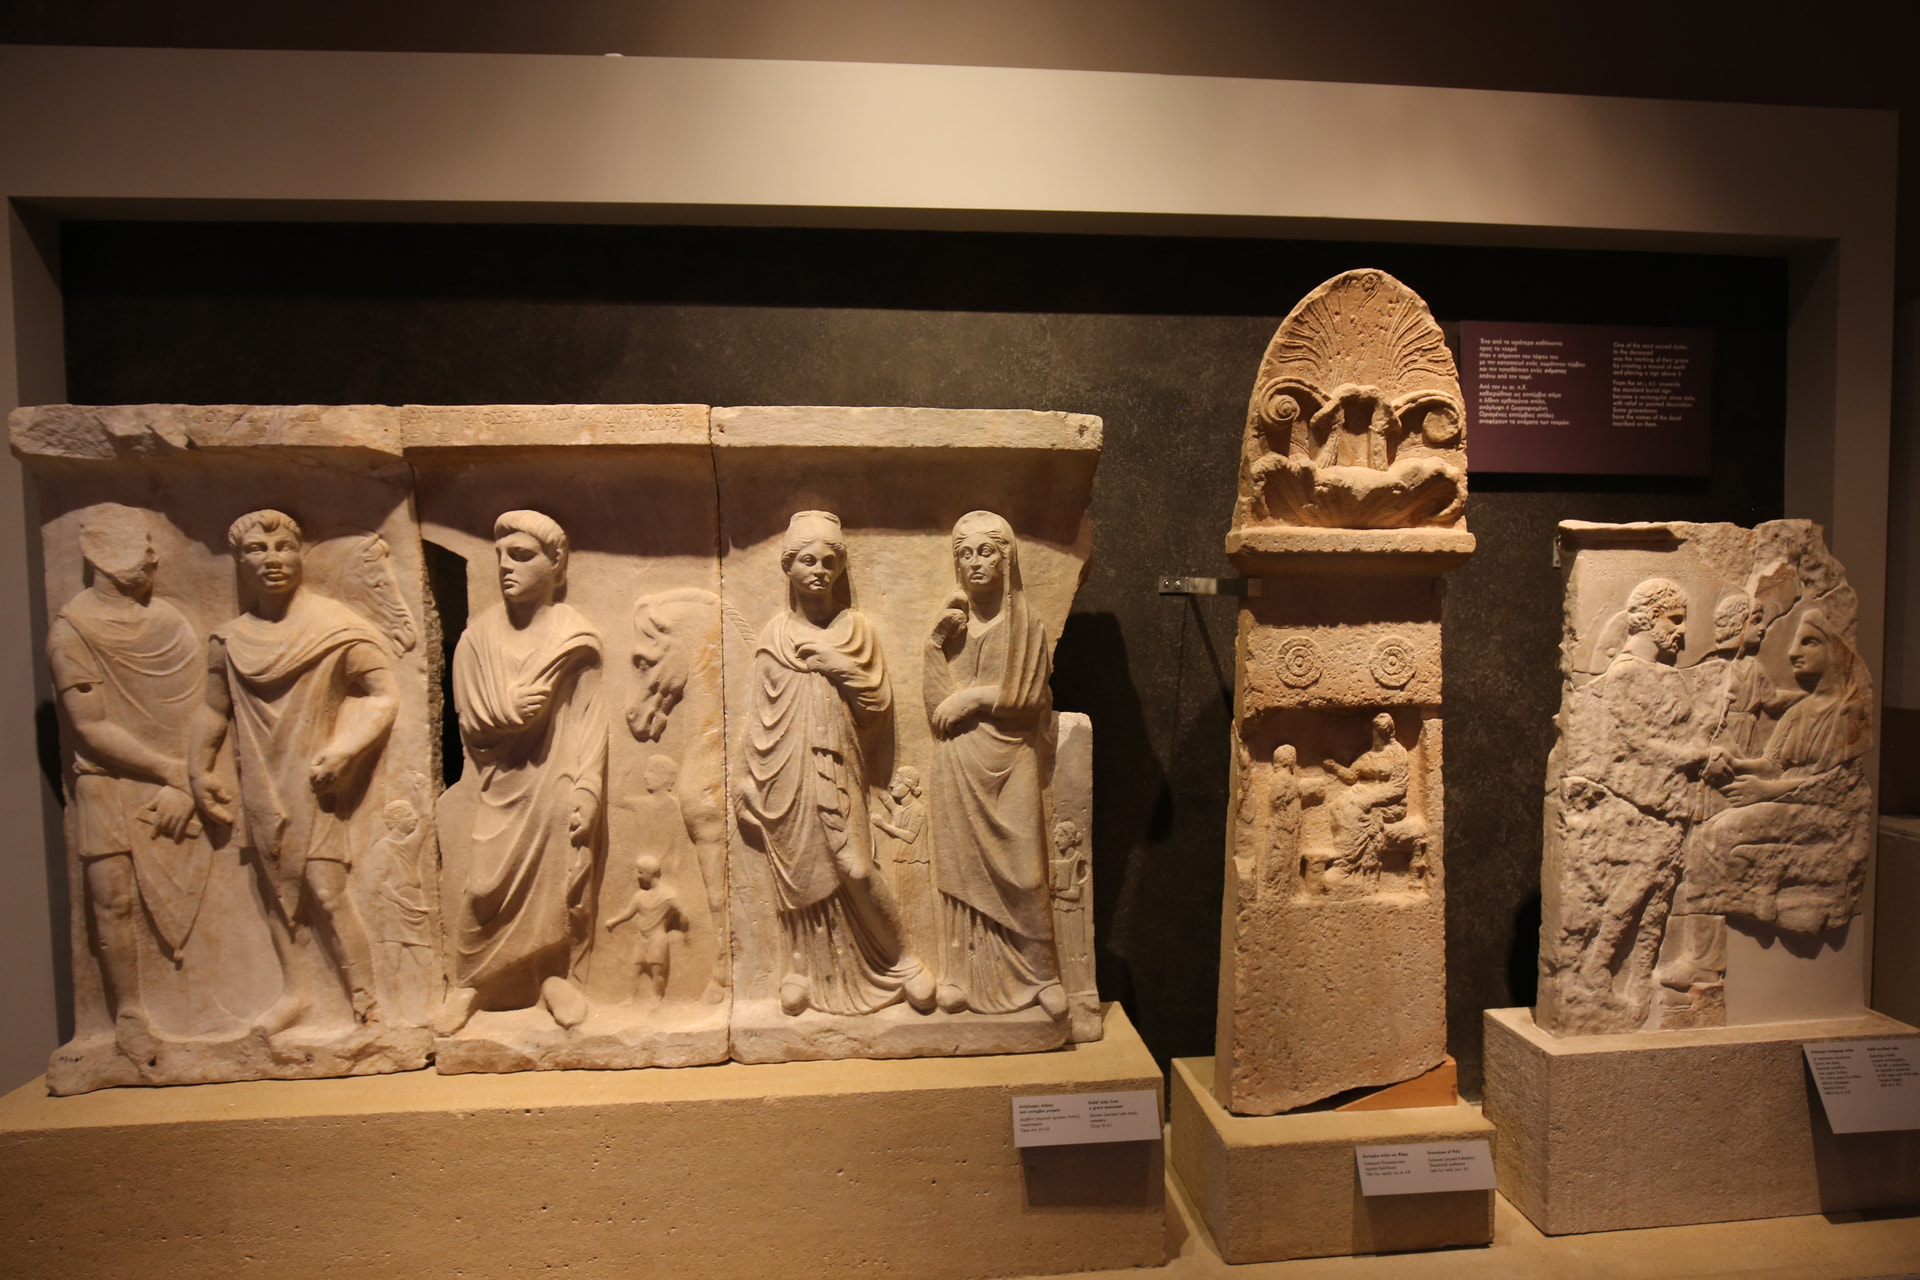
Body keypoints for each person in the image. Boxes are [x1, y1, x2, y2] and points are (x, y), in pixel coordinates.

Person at [191, 509, 396, 1032]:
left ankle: (367, 1002)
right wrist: (199, 768)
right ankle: (298, 992)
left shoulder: (336, 628)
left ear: (300, 553)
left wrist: (346, 748)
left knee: (326, 890)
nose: (272, 559)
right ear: (239, 561)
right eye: (256, 550)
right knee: (272, 889)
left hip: (313, 779)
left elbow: (383, 695)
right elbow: (214, 710)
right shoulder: (228, 640)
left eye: (283, 547)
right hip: (258, 781)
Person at [736, 510, 935, 1017]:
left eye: (829, 562)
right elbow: (758, 714)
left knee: (856, 868)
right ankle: (800, 969)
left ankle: (903, 960)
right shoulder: (774, 635)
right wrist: (744, 778)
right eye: (808, 561)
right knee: (795, 872)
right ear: (788, 567)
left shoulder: (856, 630)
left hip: (837, 764)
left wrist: (838, 665)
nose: (819, 571)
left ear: (840, 569)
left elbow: (877, 707)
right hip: (782, 769)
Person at [438, 510, 606, 1034]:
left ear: (555, 564)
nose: (506, 567)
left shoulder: (575, 637)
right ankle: (468, 982)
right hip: (500, 779)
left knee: (558, 882)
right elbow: (468, 719)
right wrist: (504, 712)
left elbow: (590, 718)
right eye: (501, 557)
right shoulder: (477, 639)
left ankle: (553, 977)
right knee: (484, 885)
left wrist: (589, 788)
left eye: (522, 555)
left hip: (555, 778)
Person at [50, 505, 207, 1056]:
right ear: (104, 555)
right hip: (108, 785)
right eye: (143, 546)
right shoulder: (72, 633)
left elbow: (206, 710)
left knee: (207, 907)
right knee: (111, 903)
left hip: (186, 787)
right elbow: (90, 729)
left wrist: (187, 784)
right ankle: (129, 1015)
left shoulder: (171, 623)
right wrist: (171, 771)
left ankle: (201, 1015)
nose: (154, 558)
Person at [1541, 577, 1706, 1034]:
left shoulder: (1666, 675)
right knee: (1635, 890)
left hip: (1671, 804)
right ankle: (1597, 971)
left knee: (1657, 899)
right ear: (1647, 619)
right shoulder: (1625, 675)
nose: (1682, 631)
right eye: (1674, 619)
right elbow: (1634, 742)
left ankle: (1638, 989)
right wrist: (1689, 754)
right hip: (1638, 805)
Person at [924, 510, 1066, 1018]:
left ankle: (1042, 974)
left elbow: (1033, 697)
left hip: (1011, 757)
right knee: (961, 876)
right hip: (958, 761)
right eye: (964, 554)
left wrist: (977, 698)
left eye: (986, 551)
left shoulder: (1026, 624)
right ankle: (960, 976)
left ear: (1007, 560)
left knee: (1025, 873)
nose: (975, 562)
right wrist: (934, 644)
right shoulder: (954, 628)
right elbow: (937, 708)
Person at [1694, 609, 1874, 934]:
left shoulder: (1849, 712)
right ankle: (1731, 917)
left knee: (1723, 833)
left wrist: (1765, 792)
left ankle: (1755, 900)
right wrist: (1734, 763)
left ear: (1834, 650)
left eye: (1809, 642)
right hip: (1789, 800)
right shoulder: (1799, 712)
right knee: (1709, 831)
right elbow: (1771, 765)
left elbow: (1838, 785)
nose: (1793, 652)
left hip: (1823, 810)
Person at [1321, 713, 1408, 889]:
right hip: (1364, 794)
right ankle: (1341, 853)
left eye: (1378, 735)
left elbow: (1399, 788)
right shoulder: (1368, 755)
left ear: (1386, 735)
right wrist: (1334, 767)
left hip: (1391, 802)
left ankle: (1347, 865)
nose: (1374, 738)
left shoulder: (1398, 754)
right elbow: (1352, 776)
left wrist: (1370, 798)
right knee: (1338, 806)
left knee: (1354, 811)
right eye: (1374, 734)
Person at [605, 855, 690, 1001]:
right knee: (634, 969)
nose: (637, 876)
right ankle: (630, 998)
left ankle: (657, 998)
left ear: (650, 874)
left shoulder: (668, 895)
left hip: (657, 938)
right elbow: (629, 912)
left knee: (657, 972)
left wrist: (685, 933)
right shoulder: (640, 896)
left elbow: (683, 913)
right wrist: (614, 922)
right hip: (641, 938)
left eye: (640, 872)